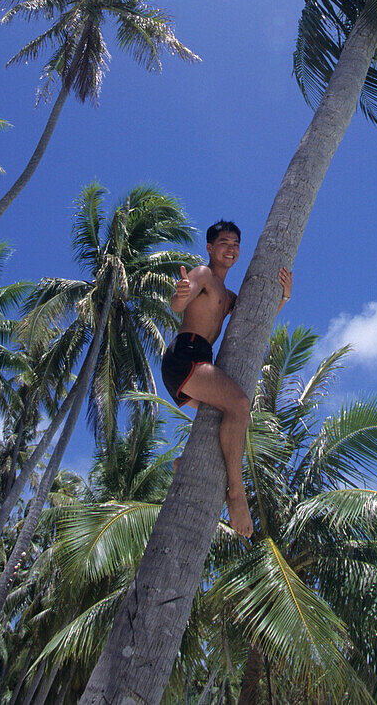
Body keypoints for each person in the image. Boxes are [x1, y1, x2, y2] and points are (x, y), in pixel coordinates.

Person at [162, 220, 292, 538]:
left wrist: (284, 298)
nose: (230, 248)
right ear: (210, 248)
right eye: (223, 242)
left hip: (199, 361)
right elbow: (182, 298)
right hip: (186, 356)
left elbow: (255, 319)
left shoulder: (229, 295)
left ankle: (186, 461)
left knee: (227, 417)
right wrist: (179, 296)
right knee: (238, 404)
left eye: (235, 243)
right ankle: (236, 493)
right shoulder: (204, 275)